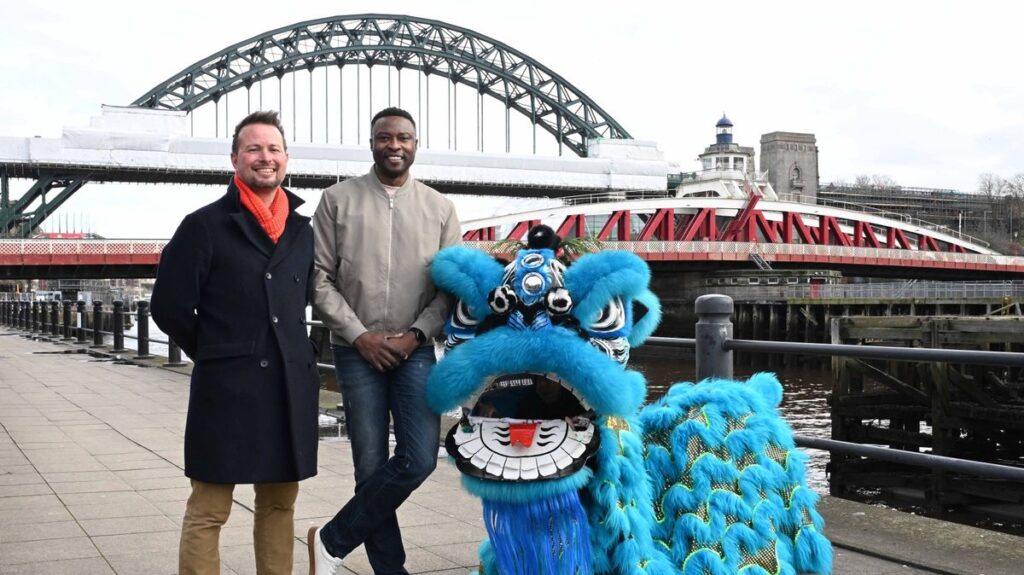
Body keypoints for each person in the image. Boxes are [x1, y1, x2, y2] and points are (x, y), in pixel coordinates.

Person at [151, 110, 319, 575]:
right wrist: (216, 352)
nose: (264, 158)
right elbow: (169, 308)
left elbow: (301, 302)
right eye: (253, 149)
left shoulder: (304, 231)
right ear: (234, 158)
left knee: (280, 505)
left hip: (288, 387)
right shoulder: (203, 226)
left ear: (286, 159)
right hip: (226, 388)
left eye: (273, 149)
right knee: (209, 508)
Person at [308, 106, 461, 575]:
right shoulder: (336, 200)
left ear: (416, 144)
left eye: (404, 137)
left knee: (419, 459)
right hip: (355, 352)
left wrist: (417, 335)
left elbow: (449, 287)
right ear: (371, 142)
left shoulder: (439, 208)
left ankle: (331, 539)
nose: (394, 145)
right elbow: (318, 278)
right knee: (369, 467)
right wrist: (360, 336)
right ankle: (390, 571)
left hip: (415, 351)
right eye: (385, 137)